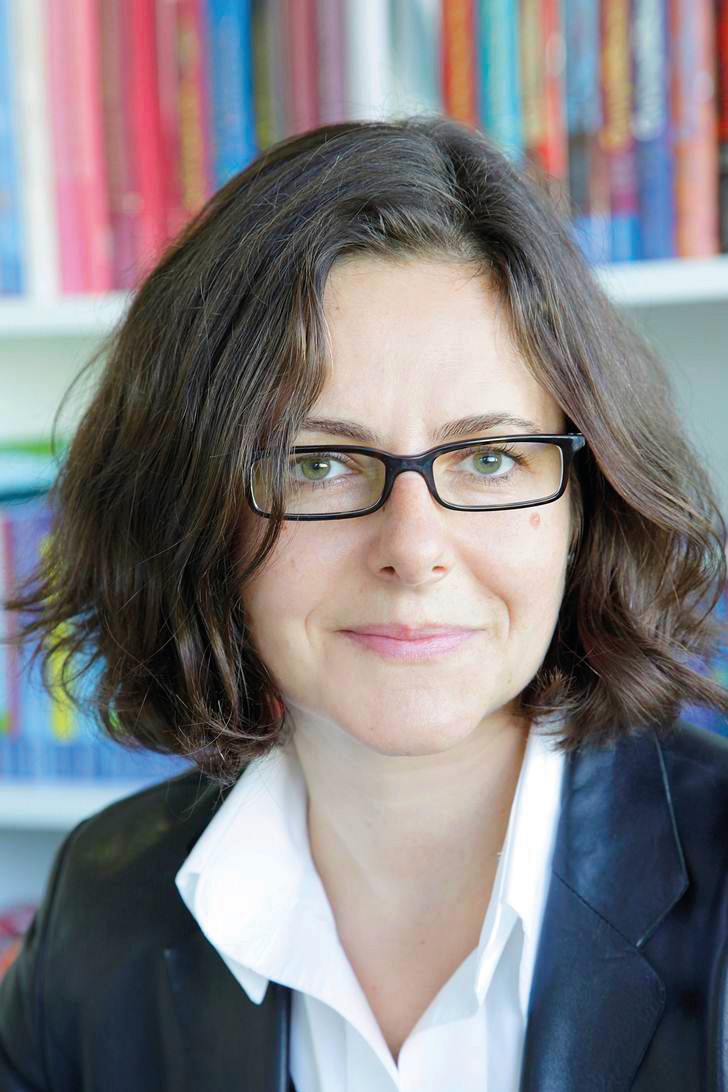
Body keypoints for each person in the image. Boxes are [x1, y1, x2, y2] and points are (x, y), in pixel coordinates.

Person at [1, 116, 727, 1092]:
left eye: (488, 458)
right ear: (194, 512)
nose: (413, 550)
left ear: (583, 509)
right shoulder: (102, 909)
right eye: (319, 463)